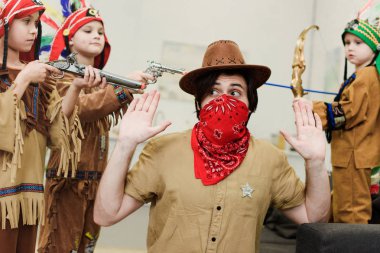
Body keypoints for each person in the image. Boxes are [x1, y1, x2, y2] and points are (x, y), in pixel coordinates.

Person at [94, 40, 330, 253]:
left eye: (235, 92)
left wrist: (317, 163)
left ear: (250, 104)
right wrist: (125, 145)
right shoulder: (162, 150)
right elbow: (106, 214)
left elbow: (313, 219)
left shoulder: (271, 159)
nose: (223, 100)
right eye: (213, 91)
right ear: (199, 102)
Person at [37, 7, 154, 253]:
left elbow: (105, 102)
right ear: (70, 39)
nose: (97, 35)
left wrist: (131, 85)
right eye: (87, 30)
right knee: (59, 246)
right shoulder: (60, 76)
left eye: (101, 32)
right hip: (68, 180)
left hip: (96, 182)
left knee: (87, 246)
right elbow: (83, 108)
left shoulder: (103, 81)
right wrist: (124, 87)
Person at [0, 1, 105, 253]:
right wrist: (23, 79)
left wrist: (77, 88)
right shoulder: (28, 75)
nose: (34, 30)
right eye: (26, 22)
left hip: (30, 196)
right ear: (4, 26)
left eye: (36, 23)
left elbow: (57, 131)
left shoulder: (39, 75)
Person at [302, 18, 380, 224]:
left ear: (374, 47)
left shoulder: (367, 76)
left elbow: (350, 112)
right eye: (347, 43)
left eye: (358, 42)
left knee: (352, 211)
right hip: (349, 153)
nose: (350, 48)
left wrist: (313, 109)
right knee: (341, 205)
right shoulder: (361, 75)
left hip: (355, 153)